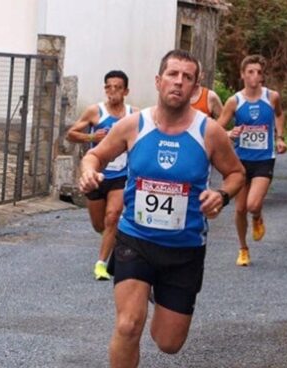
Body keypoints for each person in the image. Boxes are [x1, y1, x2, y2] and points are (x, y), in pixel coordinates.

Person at [78, 50, 245, 368]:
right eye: (172, 74)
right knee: (128, 325)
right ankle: (142, 291)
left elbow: (236, 174)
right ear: (158, 81)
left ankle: (156, 293)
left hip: (184, 249)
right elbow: (94, 156)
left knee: (169, 343)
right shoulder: (133, 125)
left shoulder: (208, 132)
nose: (179, 82)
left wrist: (222, 196)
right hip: (135, 239)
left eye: (187, 77)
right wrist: (88, 171)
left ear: (196, 89)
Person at [66, 70, 138, 281]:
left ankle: (101, 264)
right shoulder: (95, 112)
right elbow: (71, 134)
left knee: (113, 216)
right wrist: (91, 136)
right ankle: (118, 239)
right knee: (99, 224)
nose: (112, 91)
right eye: (109, 87)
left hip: (121, 174)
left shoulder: (134, 114)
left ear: (126, 91)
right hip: (96, 175)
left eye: (117, 87)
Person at [217, 54, 287, 267]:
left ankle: (257, 216)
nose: (255, 76)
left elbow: (279, 114)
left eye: (258, 72)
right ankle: (243, 249)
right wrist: (229, 133)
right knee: (239, 209)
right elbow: (217, 127)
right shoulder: (234, 101)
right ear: (242, 75)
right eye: (250, 72)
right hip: (240, 161)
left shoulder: (272, 96)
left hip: (264, 158)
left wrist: (280, 137)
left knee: (252, 204)